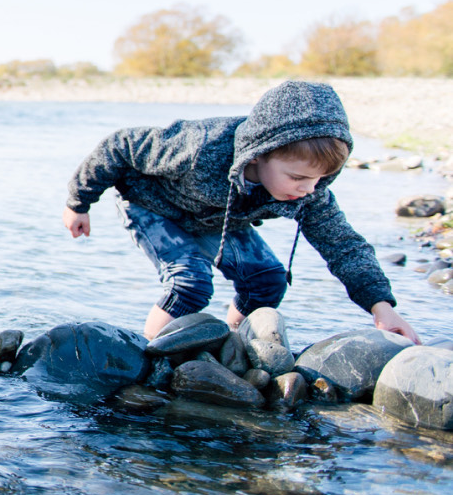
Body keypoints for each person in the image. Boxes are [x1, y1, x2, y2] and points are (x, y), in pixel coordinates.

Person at [62, 79, 419, 343]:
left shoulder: (310, 191)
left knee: (267, 281)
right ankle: (152, 351)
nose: (309, 189)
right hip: (152, 204)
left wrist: (380, 307)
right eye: (298, 177)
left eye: (321, 178)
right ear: (259, 154)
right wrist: (79, 202)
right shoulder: (199, 147)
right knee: (191, 283)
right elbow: (120, 146)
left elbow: (343, 246)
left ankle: (235, 338)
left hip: (219, 216)